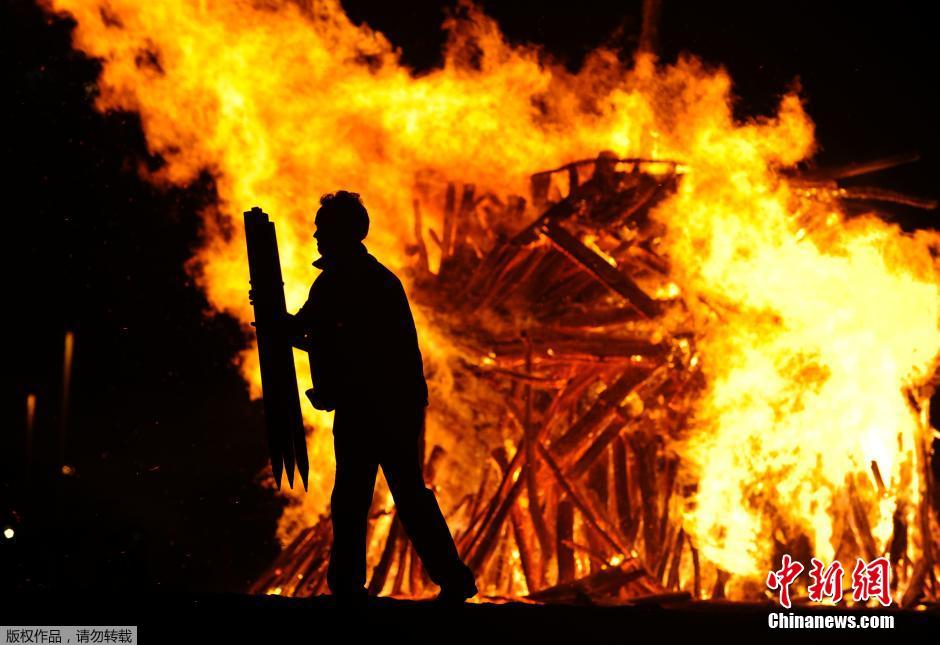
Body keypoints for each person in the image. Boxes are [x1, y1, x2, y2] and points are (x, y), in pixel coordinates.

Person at [268, 191, 477, 604]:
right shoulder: (341, 279)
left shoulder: (362, 281)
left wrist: (289, 335)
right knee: (364, 494)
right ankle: (364, 585)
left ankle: (439, 581)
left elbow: (344, 343)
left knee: (390, 494)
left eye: (323, 227)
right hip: (370, 403)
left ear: (345, 232)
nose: (315, 235)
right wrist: (277, 323)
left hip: (383, 404)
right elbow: (312, 333)